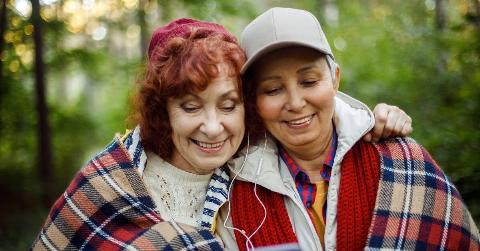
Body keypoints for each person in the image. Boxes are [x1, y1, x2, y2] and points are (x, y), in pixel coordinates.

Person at [31, 18, 412, 250]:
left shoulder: (252, 175)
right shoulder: (109, 183)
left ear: (248, 107)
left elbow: (311, 114)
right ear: (162, 111)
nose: (213, 127)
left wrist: (371, 117)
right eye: (191, 107)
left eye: (228, 106)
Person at [216, 7, 480, 251]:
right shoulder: (231, 193)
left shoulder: (401, 163)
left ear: (335, 80)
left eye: (308, 81)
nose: (296, 103)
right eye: (273, 89)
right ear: (253, 100)